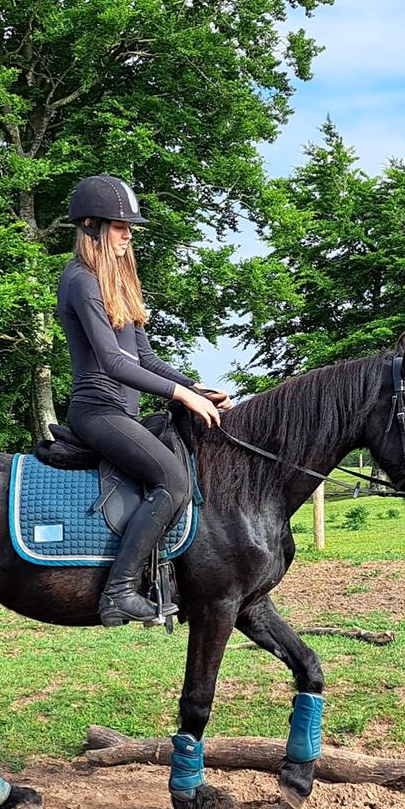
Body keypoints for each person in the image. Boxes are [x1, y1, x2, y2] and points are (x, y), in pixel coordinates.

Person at [58, 174, 232, 626]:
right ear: (92, 226)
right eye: (120, 227)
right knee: (172, 481)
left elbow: (146, 358)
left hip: (125, 412)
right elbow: (113, 362)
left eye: (129, 228)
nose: (128, 235)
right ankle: (118, 592)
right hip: (98, 411)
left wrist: (195, 389)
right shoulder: (80, 280)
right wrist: (181, 395)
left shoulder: (118, 283)